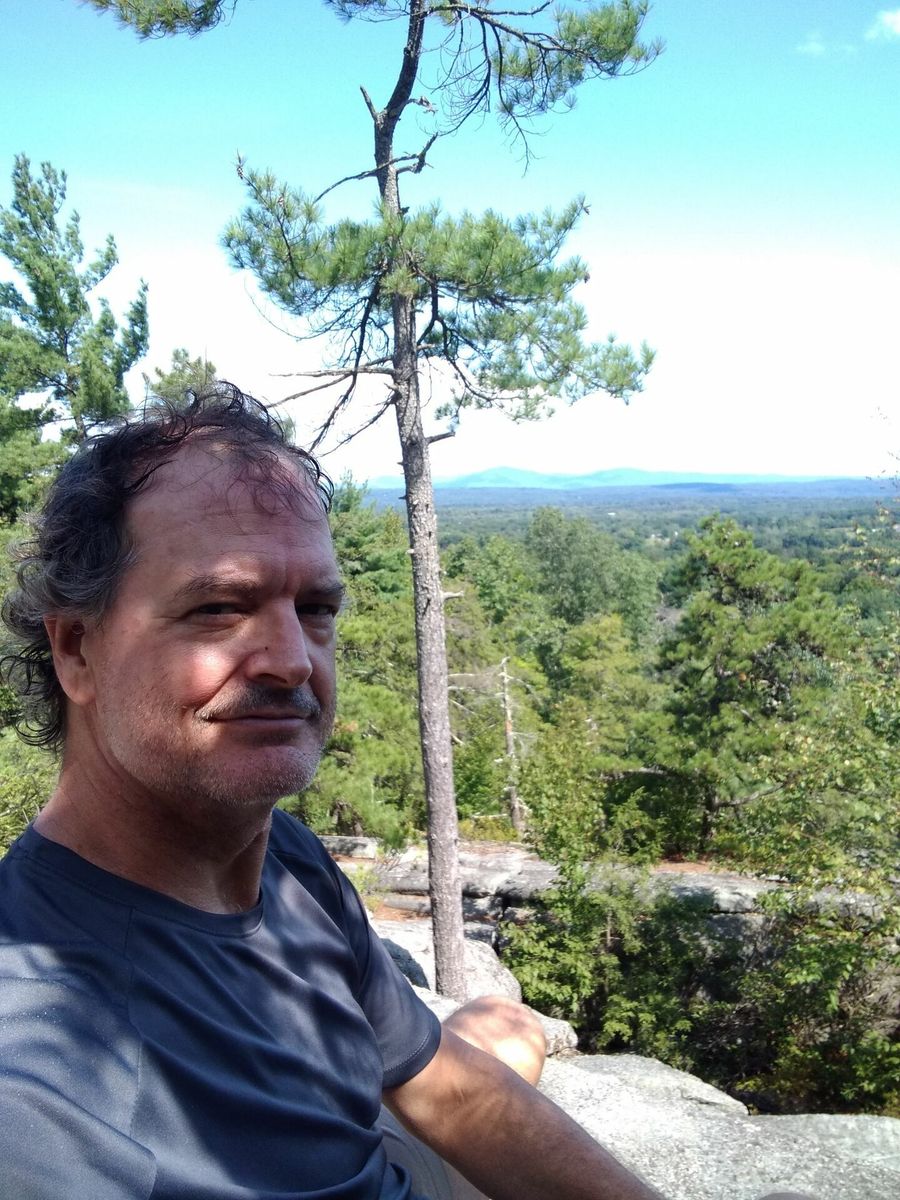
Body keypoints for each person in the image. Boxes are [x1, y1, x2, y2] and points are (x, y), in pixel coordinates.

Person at [0, 386, 665, 1200]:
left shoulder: (284, 863)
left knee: (505, 1033)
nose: (292, 661)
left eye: (315, 608)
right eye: (219, 608)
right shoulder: (44, 1068)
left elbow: (439, 1084)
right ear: (76, 649)